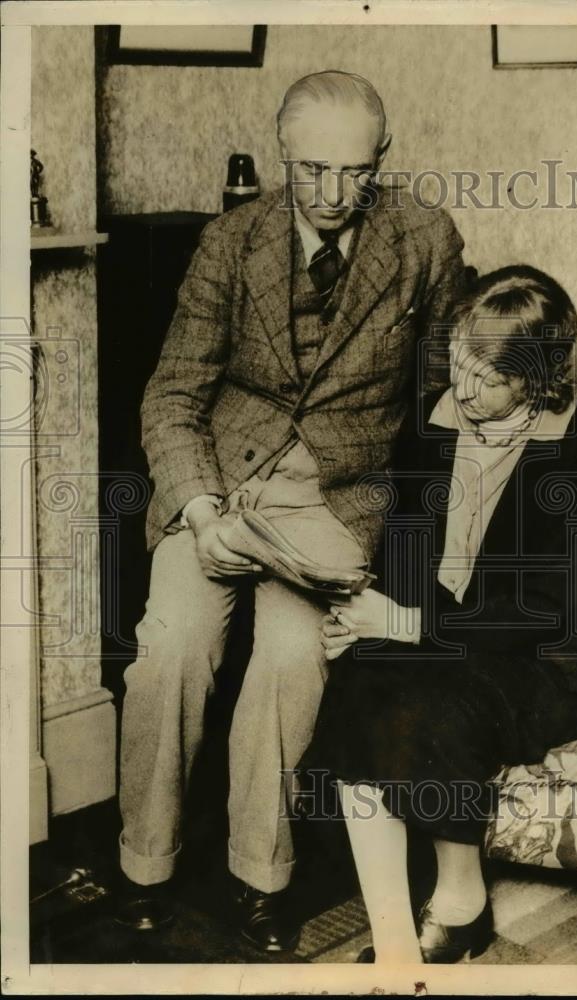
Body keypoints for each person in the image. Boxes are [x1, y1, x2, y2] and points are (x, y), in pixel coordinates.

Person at [116, 70, 466, 951]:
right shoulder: (230, 242)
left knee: (289, 660)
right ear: (282, 157)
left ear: (380, 160)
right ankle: (144, 863)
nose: (334, 192)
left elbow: (442, 393)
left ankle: (258, 877)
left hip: (337, 503)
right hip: (223, 490)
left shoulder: (423, 239)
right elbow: (171, 394)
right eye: (312, 170)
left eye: (354, 172)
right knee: (169, 654)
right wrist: (196, 507)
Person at [300, 265, 577, 964]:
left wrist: (407, 627)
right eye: (458, 366)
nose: (463, 389)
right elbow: (407, 545)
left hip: (537, 661)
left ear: (536, 380)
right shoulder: (433, 420)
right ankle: (394, 948)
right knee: (360, 679)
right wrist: (367, 612)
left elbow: (549, 608)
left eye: (488, 378)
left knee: (426, 703)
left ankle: (459, 898)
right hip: (443, 628)